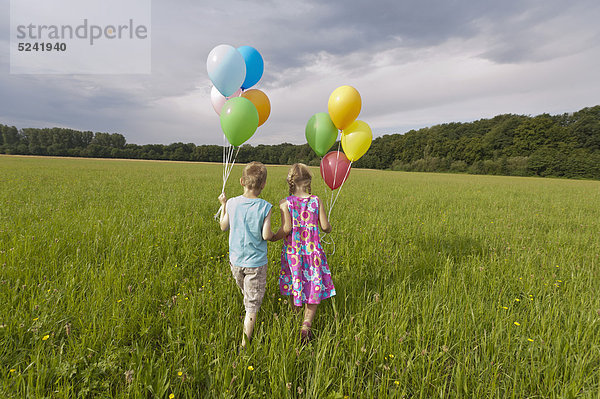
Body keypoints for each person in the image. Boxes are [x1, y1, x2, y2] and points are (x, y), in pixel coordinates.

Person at [270, 163, 336, 343]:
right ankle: (306, 324)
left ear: (291, 181)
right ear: (308, 181)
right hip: (313, 253)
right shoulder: (316, 201)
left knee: (294, 283)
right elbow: (325, 227)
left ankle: (295, 315)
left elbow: (286, 228)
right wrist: (329, 228)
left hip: (293, 253)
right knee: (313, 285)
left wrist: (274, 237)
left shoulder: (286, 202)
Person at [218, 161, 273, 347]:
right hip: (256, 263)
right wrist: (276, 235)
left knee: (248, 296)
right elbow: (266, 235)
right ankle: (244, 345)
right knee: (251, 306)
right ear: (263, 185)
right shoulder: (265, 207)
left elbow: (223, 226)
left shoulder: (232, 203)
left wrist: (224, 205)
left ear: (242, 181)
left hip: (235, 261)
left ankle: (250, 308)